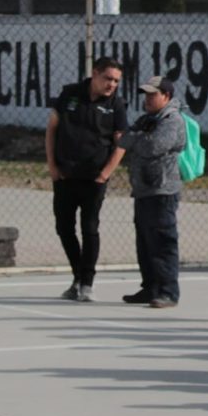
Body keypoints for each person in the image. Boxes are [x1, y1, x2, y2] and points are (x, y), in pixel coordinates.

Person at [45, 57, 127, 302]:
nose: (111, 84)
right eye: (107, 78)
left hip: (94, 179)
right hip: (65, 175)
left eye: (116, 81)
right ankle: (77, 276)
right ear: (95, 74)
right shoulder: (70, 94)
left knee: (89, 228)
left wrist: (105, 174)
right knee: (64, 227)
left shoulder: (117, 104)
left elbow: (121, 143)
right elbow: (51, 129)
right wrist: (52, 166)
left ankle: (87, 283)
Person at [118, 76, 186, 309]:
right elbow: (123, 140)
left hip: (162, 190)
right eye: (145, 95)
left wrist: (137, 137)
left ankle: (168, 290)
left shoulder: (172, 120)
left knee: (162, 240)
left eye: (152, 94)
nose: (147, 99)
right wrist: (138, 136)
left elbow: (152, 146)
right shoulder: (147, 119)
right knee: (145, 241)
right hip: (143, 189)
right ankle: (150, 287)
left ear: (165, 96)